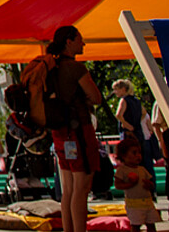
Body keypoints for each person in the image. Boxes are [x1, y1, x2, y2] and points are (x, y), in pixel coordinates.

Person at [46, 25, 102, 232]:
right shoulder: (76, 68)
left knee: (68, 188)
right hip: (79, 131)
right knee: (81, 187)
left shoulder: (52, 67)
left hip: (60, 131)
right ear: (69, 42)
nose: (83, 43)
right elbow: (96, 97)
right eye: (80, 39)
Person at [113, 137, 160, 232]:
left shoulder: (142, 169)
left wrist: (149, 185)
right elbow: (118, 185)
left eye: (139, 153)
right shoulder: (122, 170)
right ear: (123, 155)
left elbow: (151, 184)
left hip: (148, 202)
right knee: (136, 225)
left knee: (151, 224)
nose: (138, 156)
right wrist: (130, 184)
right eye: (134, 153)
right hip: (133, 204)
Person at [112, 80, 154, 164]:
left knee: (128, 158)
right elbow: (144, 112)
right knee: (139, 158)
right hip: (138, 132)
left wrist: (125, 124)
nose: (115, 92)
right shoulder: (136, 101)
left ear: (123, 89)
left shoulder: (124, 100)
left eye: (116, 89)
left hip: (128, 133)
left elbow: (118, 115)